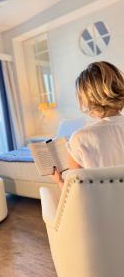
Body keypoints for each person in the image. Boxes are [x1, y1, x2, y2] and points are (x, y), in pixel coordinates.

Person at [52, 61, 124, 190]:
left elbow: (77, 195)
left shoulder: (79, 139)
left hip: (99, 209)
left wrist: (59, 181)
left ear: (86, 98)